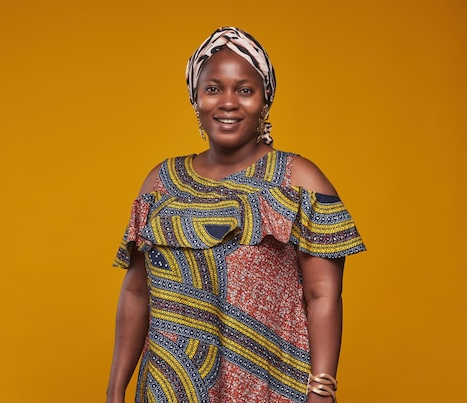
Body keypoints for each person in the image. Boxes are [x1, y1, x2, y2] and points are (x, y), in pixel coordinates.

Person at [106, 27, 365, 403]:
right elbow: (135, 291)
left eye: (244, 90)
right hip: (170, 388)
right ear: (196, 98)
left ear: (265, 101)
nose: (228, 102)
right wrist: (115, 390)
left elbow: (323, 293)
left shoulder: (298, 180)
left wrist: (321, 390)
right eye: (213, 89)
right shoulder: (160, 183)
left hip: (267, 387)